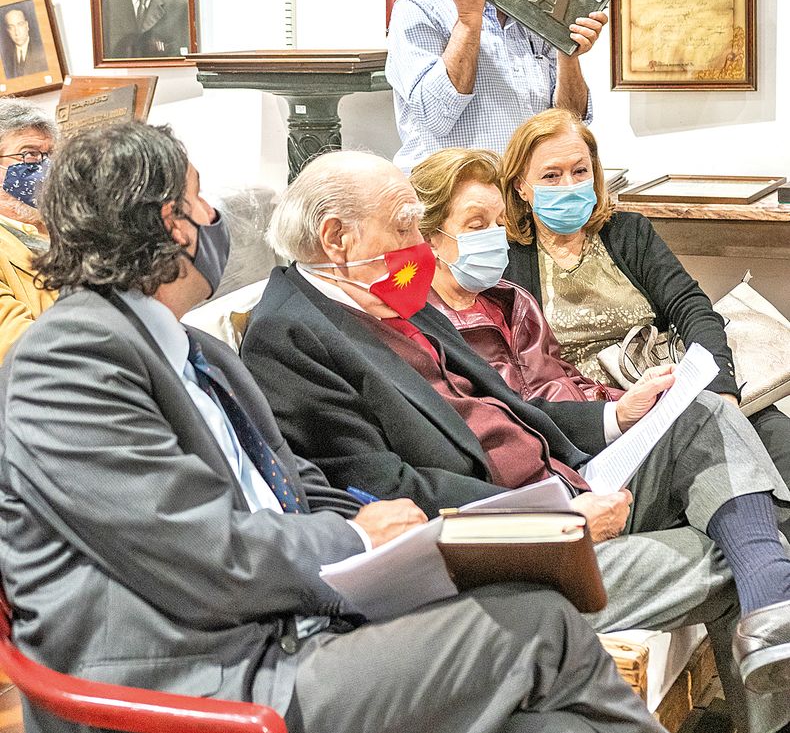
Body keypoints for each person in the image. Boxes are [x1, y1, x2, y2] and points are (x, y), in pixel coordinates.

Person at [0, 120, 661, 733]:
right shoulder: (66, 361)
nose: (213, 219)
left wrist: (406, 536)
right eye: (200, 201)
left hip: (286, 627)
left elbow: (296, 483)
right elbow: (200, 550)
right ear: (170, 225)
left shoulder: (197, 349)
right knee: (543, 623)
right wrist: (350, 535)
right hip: (199, 680)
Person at [242, 149, 790, 728]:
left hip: (571, 479)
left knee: (703, 414)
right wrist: (554, 516)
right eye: (404, 227)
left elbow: (513, 406)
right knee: (747, 550)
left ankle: (771, 594)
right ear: (336, 238)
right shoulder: (290, 337)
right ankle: (771, 600)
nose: (419, 245)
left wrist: (613, 421)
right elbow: (389, 491)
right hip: (518, 542)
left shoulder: (389, 291)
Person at [499, 108, 790, 491]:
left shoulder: (627, 232)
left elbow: (692, 308)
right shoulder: (506, 259)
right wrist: (613, 415)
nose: (569, 185)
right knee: (724, 472)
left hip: (669, 390)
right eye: (552, 176)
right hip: (598, 420)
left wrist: (721, 390)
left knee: (778, 441)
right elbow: (516, 378)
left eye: (580, 171)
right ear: (521, 185)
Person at [385, 0, 608, 173]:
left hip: (521, 198)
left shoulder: (540, 16)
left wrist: (567, 52)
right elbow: (434, 116)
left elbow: (568, 123)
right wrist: (468, 20)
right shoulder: (419, 7)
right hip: (451, 203)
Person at [410, 146, 623, 406]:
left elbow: (564, 383)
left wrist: (621, 402)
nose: (494, 235)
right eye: (477, 225)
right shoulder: (420, 330)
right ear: (429, 237)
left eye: (499, 223)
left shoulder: (515, 302)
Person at [0, 99, 56, 357]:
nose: (44, 167)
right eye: (29, 154)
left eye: (49, 156)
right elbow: (15, 341)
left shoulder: (69, 224)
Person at [1, 5, 46, 79]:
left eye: (20, 25)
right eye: (11, 27)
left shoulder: (43, 50)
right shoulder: (4, 58)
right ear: (7, 31)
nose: (17, 32)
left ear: (27, 25)